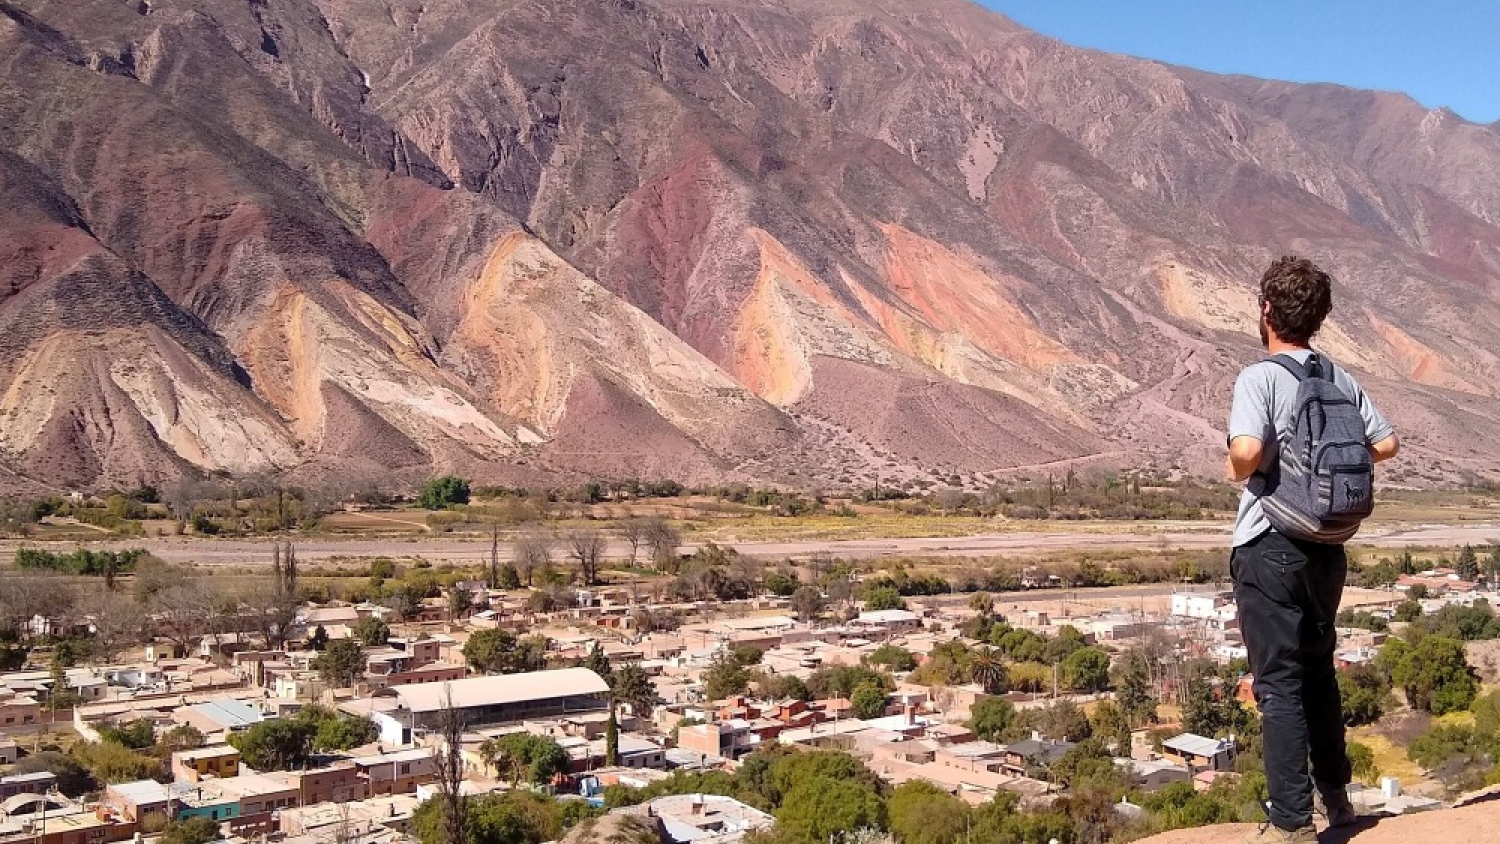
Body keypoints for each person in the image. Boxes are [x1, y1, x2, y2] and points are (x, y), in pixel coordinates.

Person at [1226, 256, 1400, 843]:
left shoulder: (1261, 377)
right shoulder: (1339, 379)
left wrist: (1249, 466)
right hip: (1328, 547)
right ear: (1319, 317)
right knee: (1319, 673)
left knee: (1278, 683)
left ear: (1267, 310)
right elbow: (1388, 443)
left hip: (1270, 543)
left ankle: (1291, 824)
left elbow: (1248, 449)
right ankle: (1338, 801)